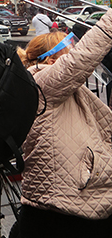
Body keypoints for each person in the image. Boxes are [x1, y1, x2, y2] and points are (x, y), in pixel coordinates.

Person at [16, 14, 112, 238]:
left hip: (72, 204)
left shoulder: (63, 90)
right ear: (51, 61)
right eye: (68, 51)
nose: (74, 52)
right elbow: (82, 59)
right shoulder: (41, 81)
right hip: (62, 211)